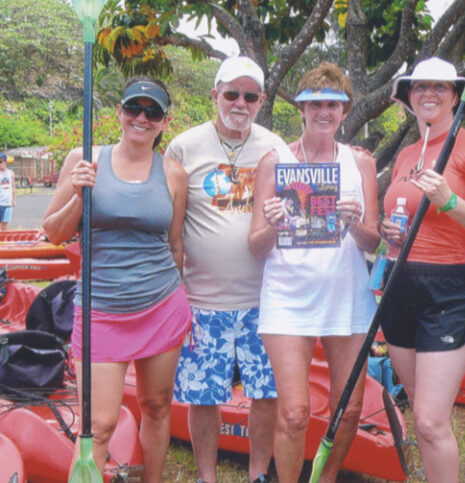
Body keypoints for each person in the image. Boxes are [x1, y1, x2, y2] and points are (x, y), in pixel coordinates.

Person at [42, 77, 191, 482]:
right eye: (133, 108)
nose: (141, 118)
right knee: (99, 424)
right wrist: (78, 192)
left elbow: (175, 245)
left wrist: (183, 308)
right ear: (119, 113)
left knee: (158, 406)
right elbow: (53, 233)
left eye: (152, 111)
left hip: (162, 306)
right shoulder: (84, 159)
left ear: (164, 121)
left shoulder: (174, 174)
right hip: (100, 310)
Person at [248, 62, 379, 483]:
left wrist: (355, 221)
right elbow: (255, 246)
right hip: (287, 298)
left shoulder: (360, 164)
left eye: (333, 104)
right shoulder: (275, 162)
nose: (323, 111)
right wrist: (272, 222)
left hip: (347, 297)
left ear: (345, 111)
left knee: (350, 407)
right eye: (314, 103)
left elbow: (372, 242)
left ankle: (326, 478)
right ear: (300, 109)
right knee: (294, 411)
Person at [379, 57, 465, 482]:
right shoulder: (407, 155)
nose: (428, 93)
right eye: (419, 87)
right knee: (419, 412)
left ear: (456, 95)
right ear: (407, 98)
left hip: (451, 287)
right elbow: (405, 222)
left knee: (432, 422)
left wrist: (450, 200)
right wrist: (388, 231)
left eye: (439, 86)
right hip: (399, 282)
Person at [168, 56, 282, 483]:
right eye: (231, 93)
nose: (240, 103)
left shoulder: (275, 147)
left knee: (266, 394)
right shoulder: (183, 146)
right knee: (203, 396)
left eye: (250, 95)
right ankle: (206, 476)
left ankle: (257, 474)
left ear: (261, 100)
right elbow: (171, 228)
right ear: (214, 95)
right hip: (201, 300)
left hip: (264, 301)